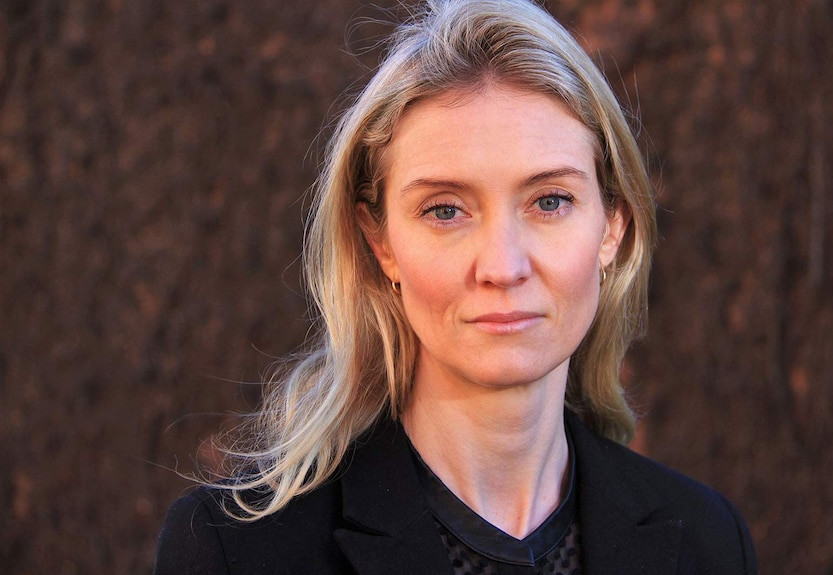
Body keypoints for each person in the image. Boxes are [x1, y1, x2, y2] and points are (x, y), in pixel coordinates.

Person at [154, 0, 758, 573]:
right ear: (380, 241)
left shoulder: (708, 541)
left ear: (612, 229)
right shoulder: (237, 552)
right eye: (446, 210)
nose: (502, 266)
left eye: (550, 201)